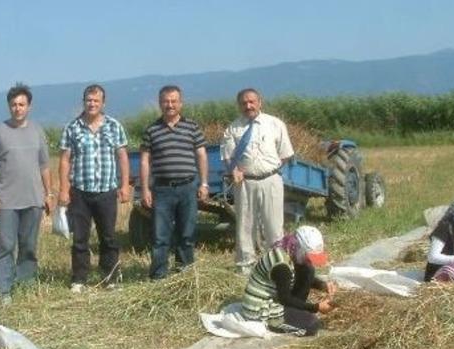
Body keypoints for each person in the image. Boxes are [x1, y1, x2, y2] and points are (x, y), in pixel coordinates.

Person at [0, 83, 54, 305]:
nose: (17, 108)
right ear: (9, 106)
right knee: (5, 246)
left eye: (22, 104)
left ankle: (26, 284)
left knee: (29, 246)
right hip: (6, 202)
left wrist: (49, 193)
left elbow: (44, 166)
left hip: (33, 199)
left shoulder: (37, 131)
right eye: (13, 104)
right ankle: (5, 290)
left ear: (29, 106)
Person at [58, 84, 130, 293]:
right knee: (80, 238)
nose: (92, 104)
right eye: (89, 100)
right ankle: (79, 278)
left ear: (103, 103)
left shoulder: (114, 126)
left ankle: (110, 277)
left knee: (108, 236)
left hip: (107, 191)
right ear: (84, 102)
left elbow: (123, 156)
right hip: (80, 191)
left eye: (96, 101)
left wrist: (124, 184)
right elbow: (64, 160)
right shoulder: (72, 127)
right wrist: (63, 189)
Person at [140, 85, 209, 279]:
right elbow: (145, 161)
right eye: (165, 101)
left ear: (180, 103)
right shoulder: (152, 130)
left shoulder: (192, 127)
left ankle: (185, 275)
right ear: (160, 103)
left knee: (186, 235)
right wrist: (145, 189)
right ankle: (159, 276)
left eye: (173, 101)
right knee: (160, 236)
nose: (169, 105)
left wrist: (204, 184)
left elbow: (201, 155)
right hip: (161, 189)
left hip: (188, 187)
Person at [222, 88, 295, 274]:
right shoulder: (233, 128)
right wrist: (234, 169)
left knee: (274, 225)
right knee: (245, 226)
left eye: (252, 101)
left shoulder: (275, 124)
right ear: (239, 105)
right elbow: (228, 157)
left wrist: (271, 169)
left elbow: (285, 154)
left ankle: (277, 264)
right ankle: (245, 266)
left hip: (271, 181)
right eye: (244, 103)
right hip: (245, 184)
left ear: (259, 102)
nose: (248, 106)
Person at [241, 225, 337, 336]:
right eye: (308, 257)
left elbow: (299, 277)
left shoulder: (289, 252)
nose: (310, 261)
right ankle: (275, 323)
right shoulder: (281, 266)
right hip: (260, 309)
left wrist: (322, 285)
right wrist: (315, 307)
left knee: (307, 269)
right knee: (312, 325)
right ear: (300, 249)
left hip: (277, 298)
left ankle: (295, 312)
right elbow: (285, 299)